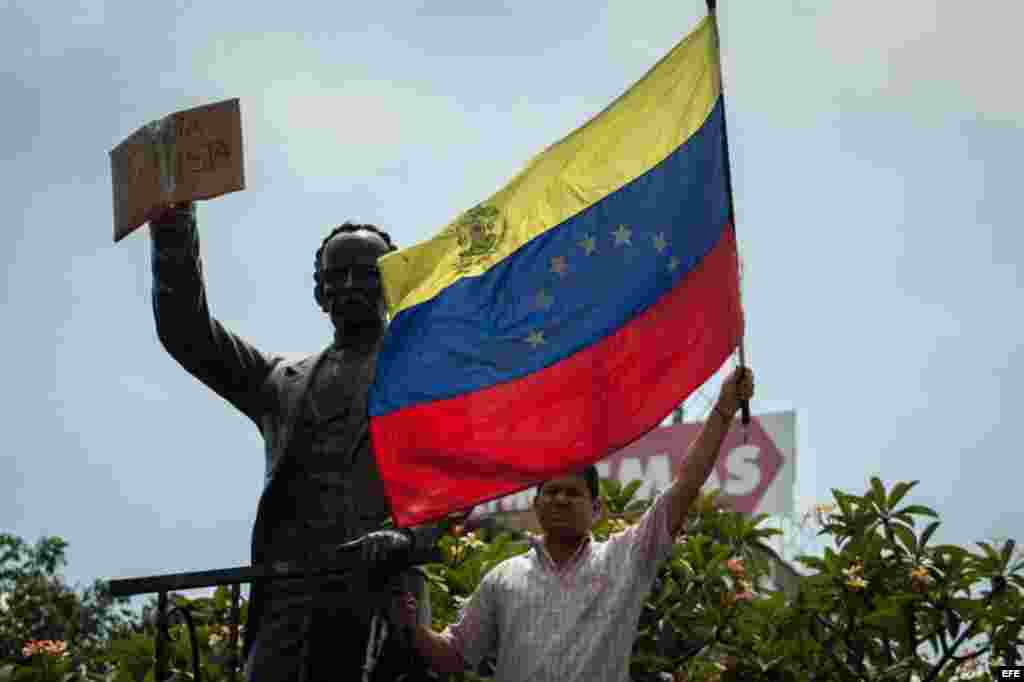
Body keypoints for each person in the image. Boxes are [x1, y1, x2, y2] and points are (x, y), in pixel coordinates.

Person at [147, 202, 441, 681]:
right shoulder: (278, 381)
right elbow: (187, 332)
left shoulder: (425, 376)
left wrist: (407, 537)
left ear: (392, 283)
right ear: (319, 292)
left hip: (379, 595)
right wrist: (172, 224)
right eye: (336, 275)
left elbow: (458, 473)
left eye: (365, 274)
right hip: (287, 603)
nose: (348, 285)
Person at [396, 366, 755, 682]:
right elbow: (455, 655)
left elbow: (685, 487)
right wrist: (415, 630)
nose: (561, 499)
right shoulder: (502, 579)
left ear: (596, 509)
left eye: (573, 492)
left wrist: (724, 409)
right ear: (536, 506)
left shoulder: (626, 560)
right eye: (551, 491)